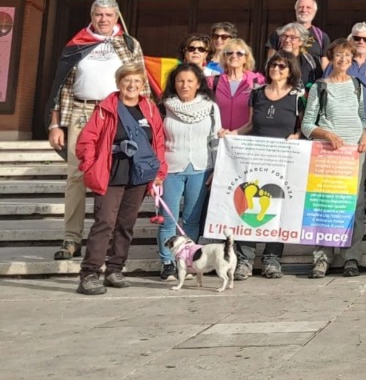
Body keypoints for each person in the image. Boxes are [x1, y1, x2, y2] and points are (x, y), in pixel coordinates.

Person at [45, 0, 147, 261]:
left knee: (113, 177)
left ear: (117, 18)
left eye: (108, 15)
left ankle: (106, 237)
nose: (103, 19)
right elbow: (61, 86)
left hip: (116, 114)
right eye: (98, 14)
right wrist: (55, 123)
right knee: (76, 177)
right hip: (80, 112)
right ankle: (71, 238)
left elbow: (140, 83)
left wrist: (141, 121)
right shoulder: (76, 44)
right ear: (92, 16)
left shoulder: (129, 44)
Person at [74, 62, 166, 295]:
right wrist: (90, 165)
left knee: (126, 224)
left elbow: (158, 142)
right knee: (104, 222)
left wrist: (159, 173)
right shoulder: (106, 108)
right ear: (119, 83)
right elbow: (86, 141)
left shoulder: (150, 110)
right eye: (127, 81)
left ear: (143, 84)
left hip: (138, 175)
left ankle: (115, 268)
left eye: (137, 81)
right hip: (110, 172)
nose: (132, 85)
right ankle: (89, 273)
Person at [301, 38, 366, 277]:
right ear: (331, 58)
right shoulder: (319, 87)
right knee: (326, 203)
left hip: (354, 152)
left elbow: (363, 117)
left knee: (355, 204)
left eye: (347, 56)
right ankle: (322, 257)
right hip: (328, 153)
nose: (343, 60)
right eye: (339, 55)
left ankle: (351, 256)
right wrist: (327, 133)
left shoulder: (357, 86)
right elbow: (307, 125)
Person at [231, 52, 305, 278]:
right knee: (248, 205)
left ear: (290, 70)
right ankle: (245, 259)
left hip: (283, 161)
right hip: (256, 159)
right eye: (274, 64)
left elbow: (304, 125)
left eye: (282, 66)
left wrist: (298, 135)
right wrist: (232, 134)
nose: (277, 69)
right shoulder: (257, 94)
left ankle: (272, 258)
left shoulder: (298, 96)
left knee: (277, 208)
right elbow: (251, 124)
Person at [155, 63, 222, 281]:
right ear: (173, 83)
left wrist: (217, 168)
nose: (185, 85)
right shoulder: (164, 107)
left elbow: (214, 140)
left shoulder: (211, 107)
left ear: (198, 84)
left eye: (190, 81)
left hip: (201, 168)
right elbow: (157, 140)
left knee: (192, 219)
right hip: (171, 168)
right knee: (169, 219)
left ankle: (187, 259)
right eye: (180, 81)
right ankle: (167, 262)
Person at [211, 38, 265, 132]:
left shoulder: (257, 81)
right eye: (229, 53)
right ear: (224, 57)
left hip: (245, 139)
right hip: (219, 137)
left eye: (239, 53)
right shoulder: (213, 82)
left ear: (246, 58)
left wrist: (236, 133)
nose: (234, 56)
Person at [277, 22, 324, 89]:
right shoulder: (274, 60)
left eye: (292, 37)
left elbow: (318, 83)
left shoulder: (310, 61)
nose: (287, 40)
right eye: (284, 36)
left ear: (301, 41)